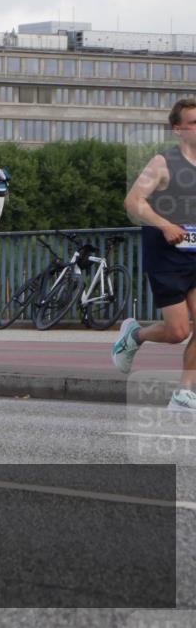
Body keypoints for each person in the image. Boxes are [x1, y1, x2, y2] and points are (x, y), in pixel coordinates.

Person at [114, 97, 196, 411]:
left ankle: (184, 392)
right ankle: (135, 335)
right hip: (167, 257)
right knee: (178, 332)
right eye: (194, 122)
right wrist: (164, 225)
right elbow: (133, 201)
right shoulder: (162, 163)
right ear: (178, 129)